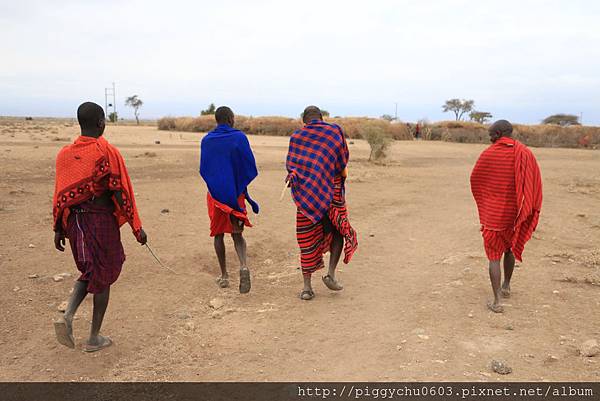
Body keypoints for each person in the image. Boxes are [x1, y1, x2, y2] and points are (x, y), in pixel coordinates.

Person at [52, 102, 147, 352]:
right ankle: (94, 337)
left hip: (74, 223)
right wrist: (137, 228)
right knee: (103, 275)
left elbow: (60, 195)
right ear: (101, 123)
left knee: (92, 270)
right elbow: (119, 192)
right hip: (99, 221)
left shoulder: (64, 154)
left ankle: (68, 315)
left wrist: (58, 229)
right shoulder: (106, 152)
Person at [286, 106, 358, 300]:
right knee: (338, 230)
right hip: (333, 191)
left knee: (306, 238)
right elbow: (342, 160)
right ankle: (331, 274)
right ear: (322, 118)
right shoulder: (334, 131)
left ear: (304, 120)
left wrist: (293, 177)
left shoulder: (297, 137)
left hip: (308, 196)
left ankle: (307, 288)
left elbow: (293, 167)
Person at [470, 119, 542, 313]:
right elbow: (534, 183)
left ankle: (497, 302)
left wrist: (486, 201)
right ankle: (506, 285)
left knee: (494, 257)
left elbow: (475, 179)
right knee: (509, 249)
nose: (490, 138)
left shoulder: (489, 154)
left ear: (499, 134)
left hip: (493, 217)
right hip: (516, 215)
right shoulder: (525, 153)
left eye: (491, 135)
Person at [200, 106, 259, 293]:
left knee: (218, 234)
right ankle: (243, 266)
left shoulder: (207, 140)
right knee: (237, 233)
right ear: (231, 119)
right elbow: (248, 164)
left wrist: (217, 183)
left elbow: (205, 169)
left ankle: (224, 276)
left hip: (216, 194)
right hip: (235, 193)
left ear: (216, 120)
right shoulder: (239, 137)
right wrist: (238, 183)